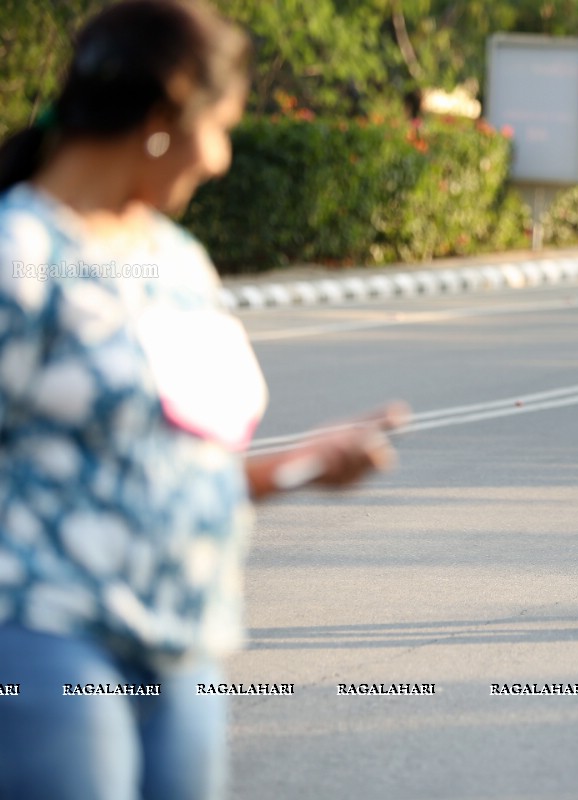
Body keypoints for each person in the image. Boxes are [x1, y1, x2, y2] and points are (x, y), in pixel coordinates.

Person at [0, 2, 400, 798]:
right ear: (162, 117)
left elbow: (170, 459)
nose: (220, 159)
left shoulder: (174, 259)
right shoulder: (22, 256)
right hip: (49, 634)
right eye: (218, 127)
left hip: (187, 637)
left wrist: (299, 467)